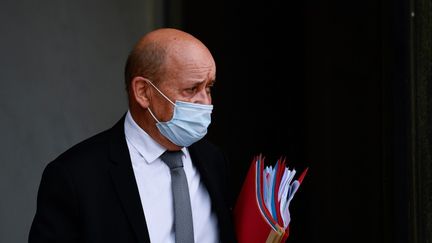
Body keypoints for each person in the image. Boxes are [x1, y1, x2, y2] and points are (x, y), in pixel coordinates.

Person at [29, 28, 237, 243]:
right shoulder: (75, 176)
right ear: (143, 92)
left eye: (209, 87)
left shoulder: (214, 161)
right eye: (191, 89)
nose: (205, 102)